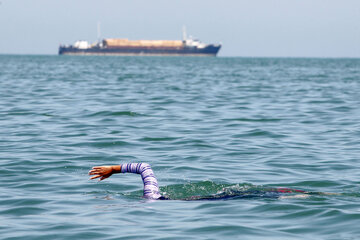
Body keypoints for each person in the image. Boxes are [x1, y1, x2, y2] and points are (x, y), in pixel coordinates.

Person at [89, 163, 312, 200]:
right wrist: (114, 169)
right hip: (221, 197)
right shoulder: (152, 194)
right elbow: (144, 167)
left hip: (221, 199)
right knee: (265, 192)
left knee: (264, 193)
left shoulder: (151, 198)